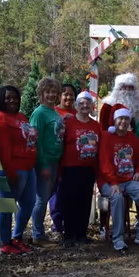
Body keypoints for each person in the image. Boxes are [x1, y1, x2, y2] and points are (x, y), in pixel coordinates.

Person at [98, 104, 139, 251]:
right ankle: (118, 237)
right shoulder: (107, 136)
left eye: (126, 119)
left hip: (128, 180)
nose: (123, 122)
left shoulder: (131, 137)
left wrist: (138, 171)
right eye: (120, 118)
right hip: (108, 181)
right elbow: (105, 163)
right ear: (115, 120)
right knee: (117, 198)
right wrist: (113, 182)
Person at [0, 86, 38, 254]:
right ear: (0, 99)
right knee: (7, 205)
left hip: (28, 167)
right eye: (8, 98)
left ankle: (17, 237)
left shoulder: (20, 117)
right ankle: (5, 243)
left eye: (15, 98)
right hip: (11, 169)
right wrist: (9, 174)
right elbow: (2, 151)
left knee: (29, 203)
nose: (12, 101)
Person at [57, 91, 101, 247]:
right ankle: (68, 235)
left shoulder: (95, 125)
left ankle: (81, 234)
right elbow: (59, 142)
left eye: (87, 103)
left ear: (91, 106)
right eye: (81, 103)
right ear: (76, 105)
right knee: (70, 202)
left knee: (84, 201)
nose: (84, 105)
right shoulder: (68, 122)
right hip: (70, 168)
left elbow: (99, 148)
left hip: (88, 168)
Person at [29, 77, 65, 248]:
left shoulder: (55, 112)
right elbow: (35, 140)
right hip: (44, 162)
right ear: (41, 93)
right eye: (48, 91)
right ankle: (37, 235)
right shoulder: (39, 113)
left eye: (54, 92)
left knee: (45, 197)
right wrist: (42, 164)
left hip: (55, 161)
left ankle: (39, 232)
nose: (51, 95)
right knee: (41, 199)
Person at [49, 83, 78, 236]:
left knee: (70, 191)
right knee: (56, 191)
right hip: (56, 157)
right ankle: (57, 224)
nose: (68, 97)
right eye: (65, 94)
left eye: (71, 94)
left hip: (73, 158)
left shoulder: (78, 112)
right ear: (60, 96)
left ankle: (70, 222)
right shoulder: (53, 112)